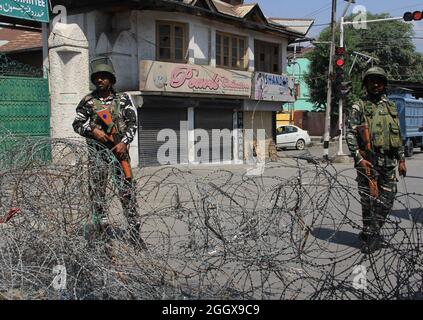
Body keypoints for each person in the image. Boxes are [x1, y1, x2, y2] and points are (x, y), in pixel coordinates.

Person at [72, 58, 145, 249]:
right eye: (97, 77)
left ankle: (135, 234)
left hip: (119, 154)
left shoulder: (123, 99)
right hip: (98, 154)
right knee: (98, 195)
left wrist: (124, 142)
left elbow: (132, 124)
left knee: (127, 194)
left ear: (111, 80)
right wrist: (92, 131)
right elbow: (77, 124)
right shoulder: (88, 101)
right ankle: (103, 234)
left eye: (104, 77)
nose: (100, 80)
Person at [346, 66, 407, 254]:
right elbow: (350, 134)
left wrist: (402, 159)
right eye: (371, 81)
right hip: (369, 162)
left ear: (384, 84)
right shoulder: (360, 106)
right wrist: (358, 159)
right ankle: (371, 235)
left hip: (389, 163)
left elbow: (397, 134)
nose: (375, 84)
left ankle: (371, 231)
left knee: (387, 199)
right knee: (368, 201)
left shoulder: (390, 106)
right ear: (366, 84)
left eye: (379, 81)